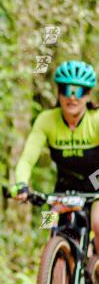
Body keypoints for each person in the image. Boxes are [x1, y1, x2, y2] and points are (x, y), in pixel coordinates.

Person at [12, 61, 99, 242]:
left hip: (96, 180)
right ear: (59, 92)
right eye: (67, 90)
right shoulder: (47, 120)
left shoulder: (96, 119)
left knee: (98, 224)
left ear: (88, 95)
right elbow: (27, 160)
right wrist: (21, 184)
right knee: (48, 222)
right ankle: (53, 261)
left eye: (79, 91)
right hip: (66, 184)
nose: (72, 97)